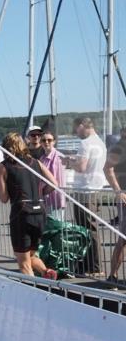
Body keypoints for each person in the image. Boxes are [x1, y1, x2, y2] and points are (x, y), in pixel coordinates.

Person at [0, 133, 59, 279]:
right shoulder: (36, 162)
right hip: (39, 212)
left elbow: (4, 198)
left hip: (21, 213)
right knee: (30, 254)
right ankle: (46, 272)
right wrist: (41, 193)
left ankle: (34, 292)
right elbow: (54, 184)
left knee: (23, 263)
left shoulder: (2, 167)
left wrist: (1, 193)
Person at [63, 117, 108, 274]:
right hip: (96, 187)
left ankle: (93, 266)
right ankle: (91, 264)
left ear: (82, 126)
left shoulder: (85, 143)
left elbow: (81, 167)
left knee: (86, 228)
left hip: (85, 189)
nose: (76, 132)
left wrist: (68, 162)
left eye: (76, 129)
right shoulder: (100, 142)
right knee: (90, 227)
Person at [103, 126, 126, 283]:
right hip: (125, 198)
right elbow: (107, 168)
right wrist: (118, 191)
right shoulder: (119, 148)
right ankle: (113, 276)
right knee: (123, 238)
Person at [37, 131, 67, 220]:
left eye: (49, 140)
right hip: (46, 199)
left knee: (56, 227)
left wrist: (41, 193)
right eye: (43, 140)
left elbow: (57, 181)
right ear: (40, 142)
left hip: (55, 199)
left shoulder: (58, 158)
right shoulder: (42, 158)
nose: (46, 142)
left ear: (54, 141)